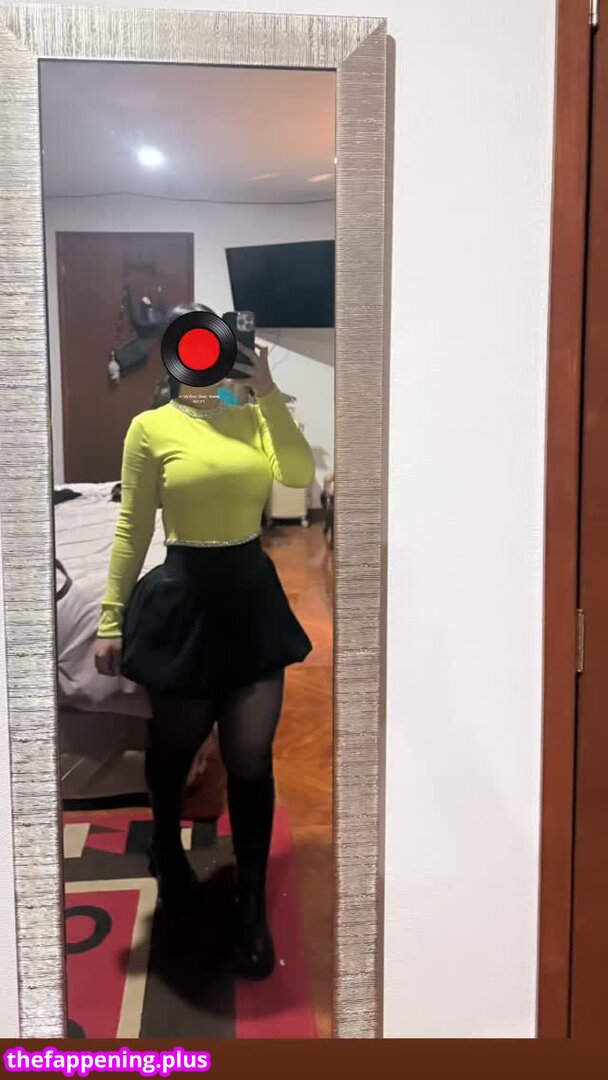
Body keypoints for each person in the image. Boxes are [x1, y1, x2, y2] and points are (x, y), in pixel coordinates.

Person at [94, 304, 315, 979]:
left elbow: (297, 474)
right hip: (184, 600)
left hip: (250, 599)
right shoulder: (151, 427)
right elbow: (133, 526)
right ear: (176, 355)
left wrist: (267, 389)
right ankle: (164, 845)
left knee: (250, 755)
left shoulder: (252, 413)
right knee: (172, 747)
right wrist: (110, 617)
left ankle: (251, 907)